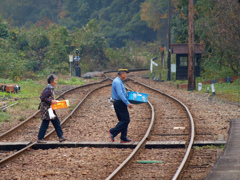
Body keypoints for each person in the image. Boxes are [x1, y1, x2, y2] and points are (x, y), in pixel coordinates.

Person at [37, 74, 67, 143]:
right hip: (47, 109)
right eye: (55, 80)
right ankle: (40, 138)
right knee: (45, 122)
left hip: (50, 108)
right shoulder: (48, 89)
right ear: (51, 81)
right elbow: (42, 97)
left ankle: (61, 137)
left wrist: (54, 101)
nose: (56, 82)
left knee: (56, 122)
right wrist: (51, 101)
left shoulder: (51, 88)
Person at [109, 69, 133, 143]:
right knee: (126, 120)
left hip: (119, 102)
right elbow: (120, 94)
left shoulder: (118, 81)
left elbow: (122, 93)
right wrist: (127, 103)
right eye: (125, 74)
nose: (126, 75)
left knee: (123, 120)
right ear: (122, 74)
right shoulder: (118, 82)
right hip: (120, 103)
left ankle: (123, 137)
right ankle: (113, 132)